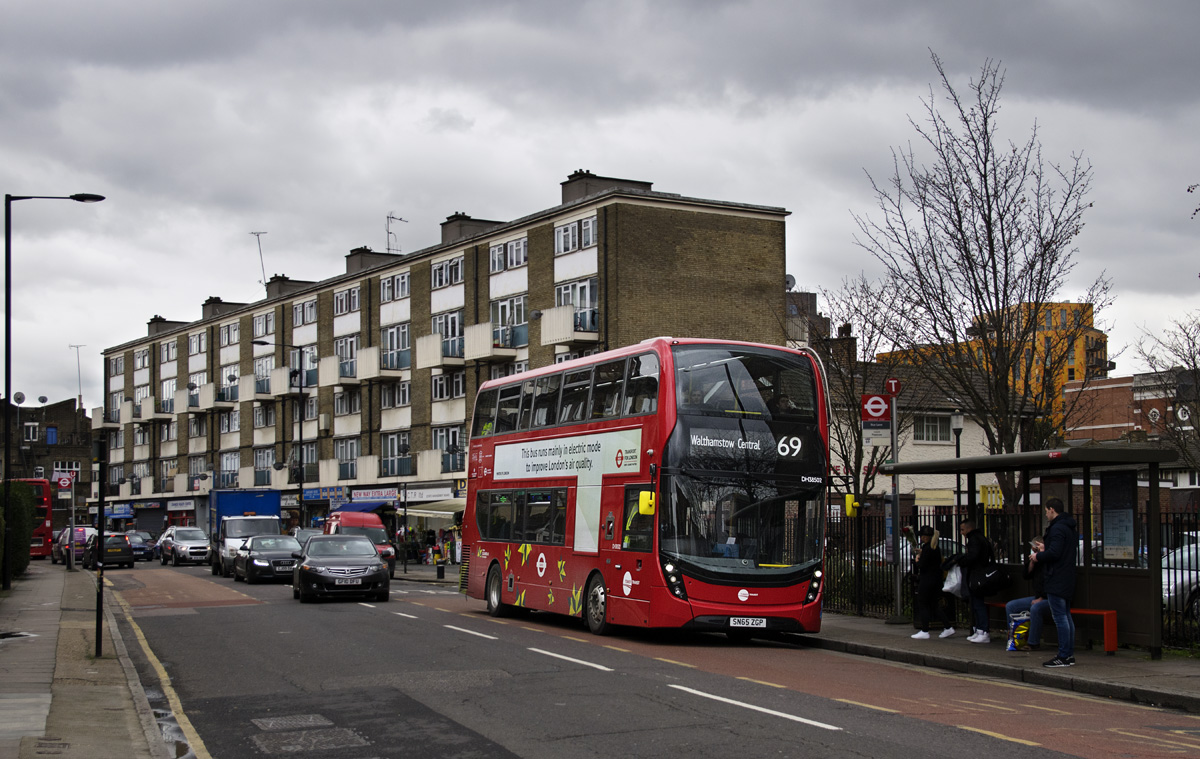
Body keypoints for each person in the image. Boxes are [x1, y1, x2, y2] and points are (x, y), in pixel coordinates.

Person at [1032, 497, 1078, 667]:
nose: (1045, 513)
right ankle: (1069, 654)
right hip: (1067, 576)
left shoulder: (1057, 528)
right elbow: (1061, 550)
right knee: (1066, 616)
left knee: (1060, 617)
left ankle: (1064, 655)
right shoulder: (1068, 527)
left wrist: (1038, 556)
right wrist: (1046, 548)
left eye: (1046, 510)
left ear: (1052, 509)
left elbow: (1055, 554)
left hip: (1057, 577)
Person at [952, 517, 994, 643]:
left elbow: (973, 557)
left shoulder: (974, 539)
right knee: (976, 602)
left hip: (977, 574)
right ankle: (979, 630)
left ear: (969, 528)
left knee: (977, 603)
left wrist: (962, 561)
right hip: (980, 573)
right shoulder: (981, 538)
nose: (961, 532)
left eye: (962, 529)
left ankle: (983, 631)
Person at [1004, 536, 1050, 651]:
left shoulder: (1048, 562)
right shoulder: (1036, 562)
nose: (1033, 551)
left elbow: (1050, 582)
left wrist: (1042, 597)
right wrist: (1032, 562)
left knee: (1036, 608)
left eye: (1035, 549)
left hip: (1049, 597)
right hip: (1037, 596)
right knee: (1011, 606)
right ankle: (1014, 637)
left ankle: (1033, 642)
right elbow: (1026, 575)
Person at [910, 525, 956, 640]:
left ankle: (925, 630)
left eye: (921, 536)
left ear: (925, 537)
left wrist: (917, 558)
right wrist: (922, 553)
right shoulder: (935, 548)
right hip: (936, 581)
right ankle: (948, 627)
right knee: (934, 605)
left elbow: (921, 565)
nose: (920, 537)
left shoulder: (927, 548)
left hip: (927, 581)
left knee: (923, 603)